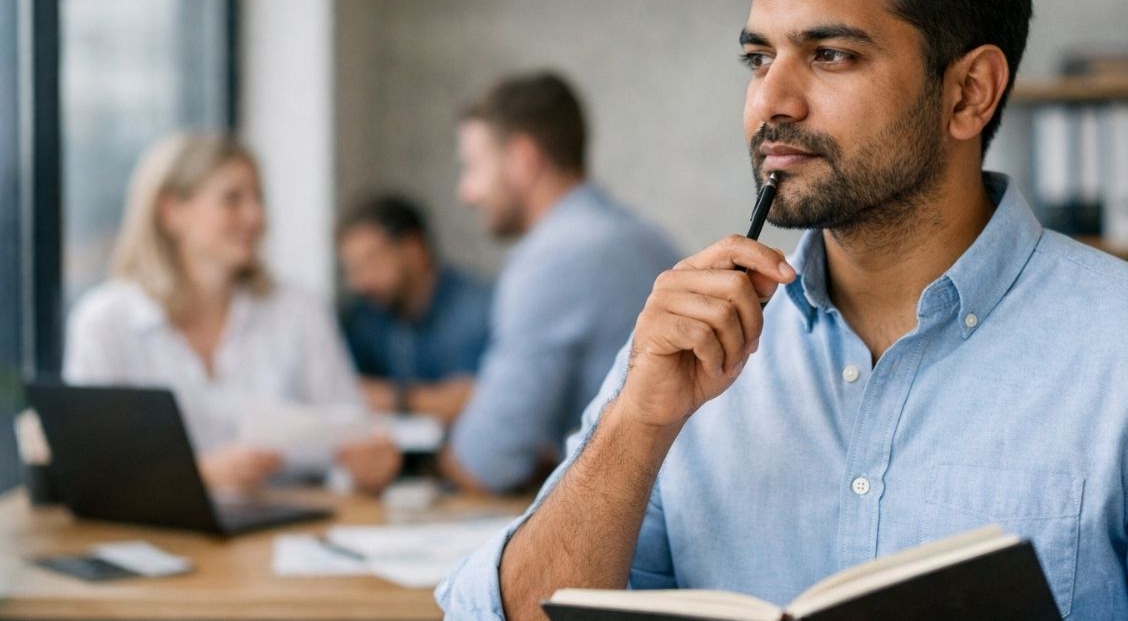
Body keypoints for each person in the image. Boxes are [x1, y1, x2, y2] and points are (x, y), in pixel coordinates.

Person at [437, 0, 1128, 621]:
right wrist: (634, 423)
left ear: (968, 92)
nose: (772, 101)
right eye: (758, 57)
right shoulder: (683, 349)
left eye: (830, 55)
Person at [64, 133, 401, 495]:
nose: (256, 216)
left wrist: (368, 467)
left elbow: (349, 432)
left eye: (259, 199)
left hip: (288, 531)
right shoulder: (104, 321)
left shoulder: (299, 310)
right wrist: (199, 473)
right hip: (158, 536)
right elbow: (90, 470)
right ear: (171, 212)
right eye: (232, 199)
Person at [439, 72, 681, 494]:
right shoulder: (645, 238)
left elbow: (486, 463)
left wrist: (436, 462)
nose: (466, 192)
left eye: (474, 167)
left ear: (523, 160)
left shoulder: (553, 257)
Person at [338, 196, 492, 425]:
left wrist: (393, 399)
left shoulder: (473, 309)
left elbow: (477, 400)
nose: (361, 282)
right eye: (352, 269)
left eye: (371, 262)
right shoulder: (365, 315)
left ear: (413, 249)